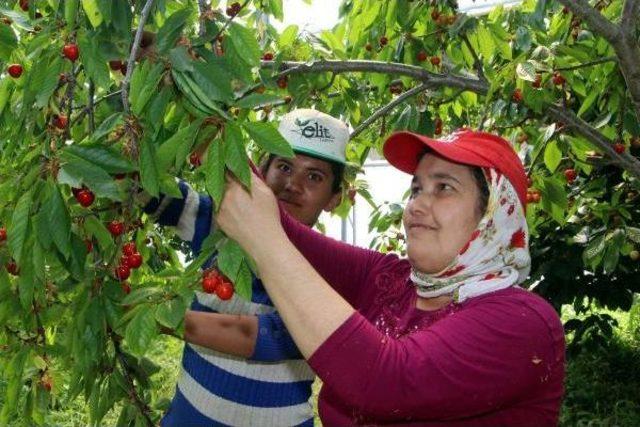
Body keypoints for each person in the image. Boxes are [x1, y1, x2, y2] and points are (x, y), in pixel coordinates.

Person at [216, 128, 566, 425]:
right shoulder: (389, 279)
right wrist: (207, 112)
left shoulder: (524, 322)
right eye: (416, 189)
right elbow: (285, 228)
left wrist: (263, 240)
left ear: (495, 213)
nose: (415, 206)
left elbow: (387, 381)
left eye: (443, 188)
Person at [147, 109, 349, 426]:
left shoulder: (332, 273)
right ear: (261, 170)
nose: (292, 184)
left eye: (314, 177)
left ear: (335, 197)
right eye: (283, 166)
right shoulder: (222, 224)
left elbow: (270, 340)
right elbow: (160, 196)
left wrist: (153, 317)